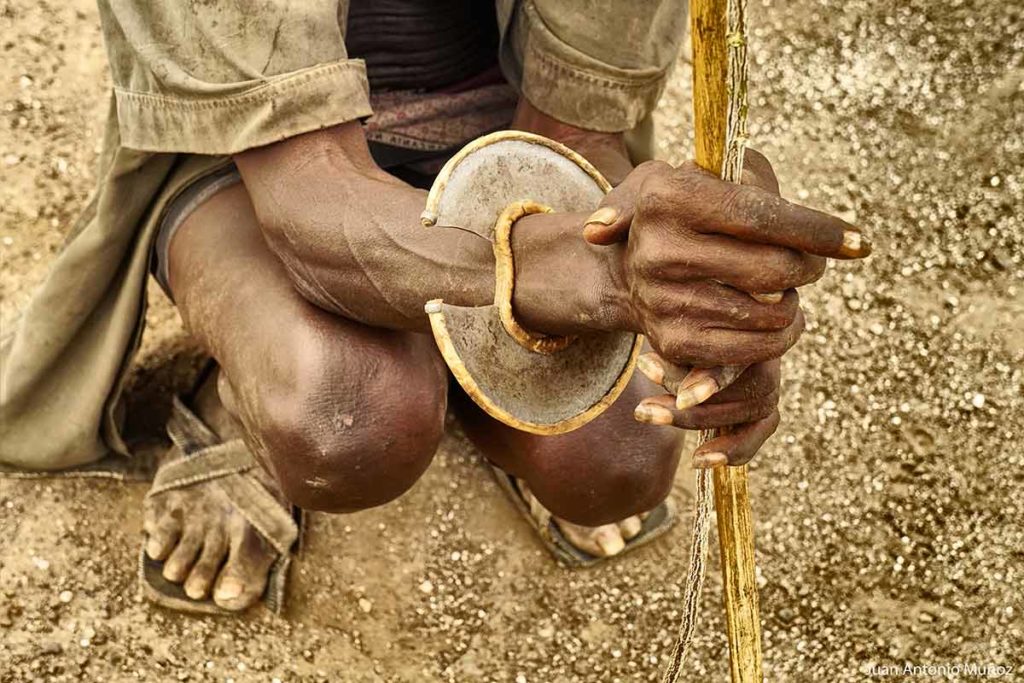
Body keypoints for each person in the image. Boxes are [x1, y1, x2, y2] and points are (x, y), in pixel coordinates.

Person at [0, 0, 870, 613]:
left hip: (497, 137)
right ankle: (242, 398)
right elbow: (306, 192)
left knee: (618, 460)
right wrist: (583, 284)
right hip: (253, 164)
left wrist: (716, 304)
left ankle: (443, 352)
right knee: (345, 415)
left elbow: (572, 132)